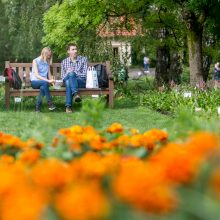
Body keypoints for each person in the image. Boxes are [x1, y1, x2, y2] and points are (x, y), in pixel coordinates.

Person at [61, 43, 88, 113]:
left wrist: (74, 72)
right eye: (73, 49)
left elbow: (84, 75)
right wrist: (69, 73)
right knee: (68, 81)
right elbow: (63, 77)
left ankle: (68, 107)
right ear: (68, 51)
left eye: (76, 49)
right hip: (70, 82)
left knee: (70, 77)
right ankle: (76, 94)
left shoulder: (84, 59)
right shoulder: (64, 62)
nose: (75, 51)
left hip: (81, 81)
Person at [30, 47, 56, 112]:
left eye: (50, 56)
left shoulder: (47, 63)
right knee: (45, 83)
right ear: (44, 53)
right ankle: (50, 103)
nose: (49, 57)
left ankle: (37, 108)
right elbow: (37, 75)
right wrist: (48, 81)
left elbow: (49, 75)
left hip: (44, 83)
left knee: (42, 88)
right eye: (48, 56)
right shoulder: (35, 61)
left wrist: (53, 82)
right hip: (35, 82)